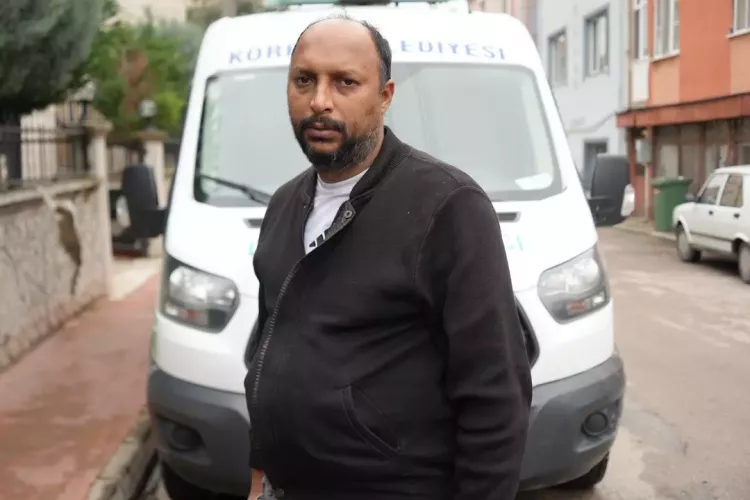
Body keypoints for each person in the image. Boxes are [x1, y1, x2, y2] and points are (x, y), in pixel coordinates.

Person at [245, 14, 533, 500]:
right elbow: (269, 349)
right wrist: (259, 478)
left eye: (345, 82)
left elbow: (495, 395)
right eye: (304, 80)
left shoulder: (447, 206)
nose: (319, 101)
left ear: (385, 97)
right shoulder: (283, 205)